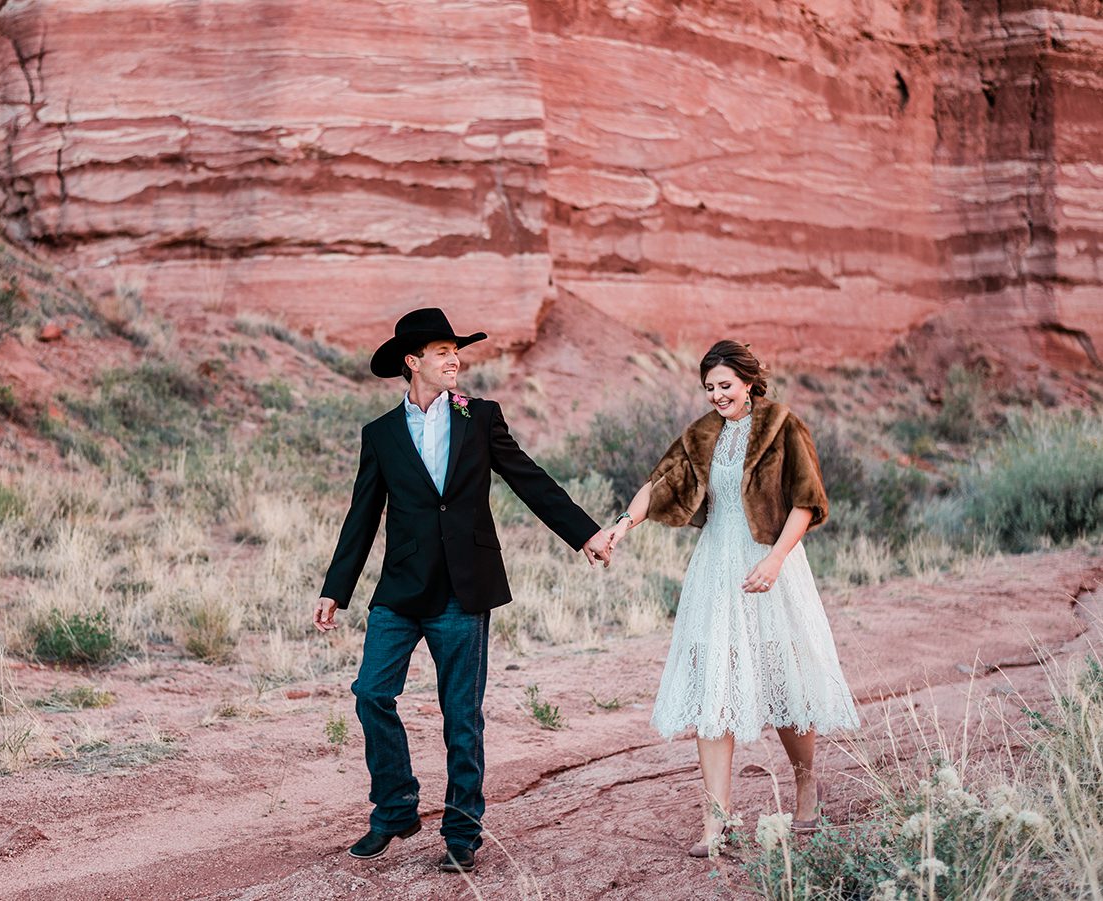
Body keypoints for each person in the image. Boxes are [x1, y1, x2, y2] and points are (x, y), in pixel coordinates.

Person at [314, 307, 612, 874]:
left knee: (461, 715)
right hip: (400, 590)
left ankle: (461, 831)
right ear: (413, 362)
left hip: (464, 588)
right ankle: (395, 810)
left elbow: (529, 479)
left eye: (457, 350)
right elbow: (361, 516)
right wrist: (337, 589)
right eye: (444, 351)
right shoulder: (379, 434)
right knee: (371, 694)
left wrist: (585, 534)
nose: (455, 359)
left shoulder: (481, 417)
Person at [605, 340, 859, 857]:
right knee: (711, 687)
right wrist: (621, 527)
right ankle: (714, 824)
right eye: (709, 388)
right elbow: (658, 485)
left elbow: (807, 502)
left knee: (782, 673)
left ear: (748, 382)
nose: (717, 396)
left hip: (771, 563)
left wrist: (774, 560)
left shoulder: (782, 426)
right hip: (715, 569)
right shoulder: (701, 434)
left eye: (725, 385)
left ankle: (806, 787)